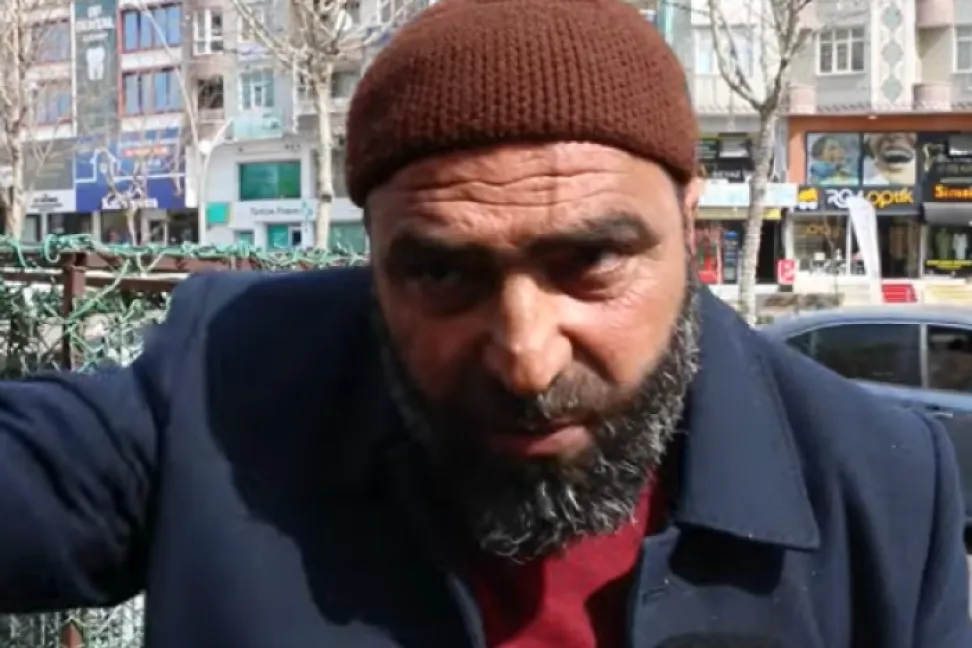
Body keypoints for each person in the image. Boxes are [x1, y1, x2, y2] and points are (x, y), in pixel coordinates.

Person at [0, 0, 970, 646]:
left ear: (687, 223)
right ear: (374, 259)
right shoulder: (227, 383)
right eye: (440, 273)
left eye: (590, 262)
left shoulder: (877, 488)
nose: (524, 358)